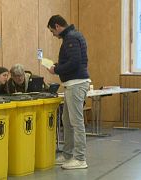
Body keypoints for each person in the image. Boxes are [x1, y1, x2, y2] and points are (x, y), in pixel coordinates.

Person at [47, 15, 90, 169]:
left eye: (53, 31)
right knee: (67, 121)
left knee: (76, 123)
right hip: (72, 84)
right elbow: (73, 60)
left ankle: (80, 158)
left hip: (76, 84)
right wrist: (59, 65)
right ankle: (68, 155)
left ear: (58, 26)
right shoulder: (73, 36)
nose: (54, 35)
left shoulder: (71, 38)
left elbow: (75, 63)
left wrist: (56, 69)